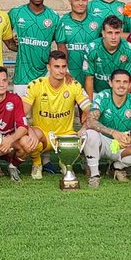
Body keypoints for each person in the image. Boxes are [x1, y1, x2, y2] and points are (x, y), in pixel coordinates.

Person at [23, 50, 91, 181]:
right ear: (49, 67)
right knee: (27, 139)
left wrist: (85, 127)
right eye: (56, 66)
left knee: (88, 136)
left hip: (65, 134)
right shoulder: (36, 85)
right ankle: (37, 163)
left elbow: (90, 109)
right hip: (43, 134)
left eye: (64, 66)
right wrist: (29, 130)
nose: (61, 70)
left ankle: (66, 161)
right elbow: (20, 114)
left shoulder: (74, 85)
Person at [83, 69, 131, 188]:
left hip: (121, 142)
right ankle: (94, 175)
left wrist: (128, 140)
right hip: (102, 140)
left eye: (125, 82)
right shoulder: (103, 96)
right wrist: (113, 132)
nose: (121, 85)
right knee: (90, 134)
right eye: (118, 81)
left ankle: (115, 167)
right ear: (110, 83)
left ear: (130, 85)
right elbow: (90, 121)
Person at [7, 0, 60, 96]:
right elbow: (5, 35)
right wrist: (12, 43)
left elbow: (60, 44)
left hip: (45, 77)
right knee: (22, 109)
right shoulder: (16, 13)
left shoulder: (54, 17)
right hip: (22, 77)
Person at [54, 0, 101, 83]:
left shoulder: (98, 21)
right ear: (70, 1)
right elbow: (61, 46)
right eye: (76, 0)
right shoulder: (62, 21)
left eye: (84, 0)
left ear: (87, 1)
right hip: (70, 77)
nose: (80, 3)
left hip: (93, 77)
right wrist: (65, 71)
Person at [83, 15, 131, 98]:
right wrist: (90, 104)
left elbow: (129, 79)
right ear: (103, 33)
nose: (113, 37)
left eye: (117, 33)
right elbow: (89, 78)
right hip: (97, 93)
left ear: (121, 32)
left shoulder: (128, 48)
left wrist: (123, 102)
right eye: (109, 33)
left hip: (119, 93)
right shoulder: (92, 48)